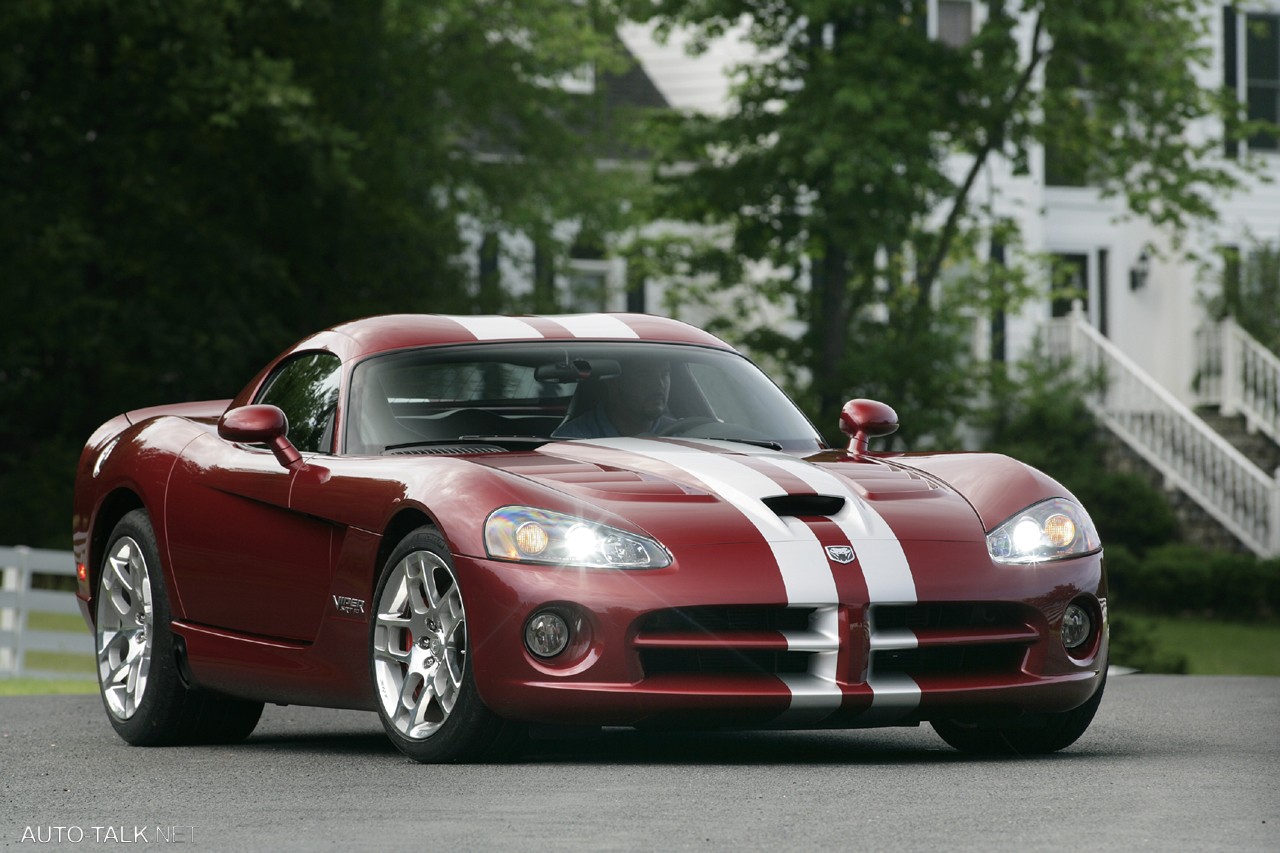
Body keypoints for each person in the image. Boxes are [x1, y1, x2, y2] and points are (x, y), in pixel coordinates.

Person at [553, 359, 677, 438]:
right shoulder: (572, 439)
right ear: (613, 382)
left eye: (665, 374)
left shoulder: (682, 434)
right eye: (644, 375)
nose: (659, 384)